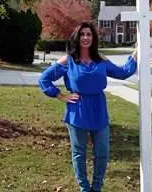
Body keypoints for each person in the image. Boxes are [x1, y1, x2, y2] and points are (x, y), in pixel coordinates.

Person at [38, 22, 137, 192]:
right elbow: (44, 79)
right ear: (77, 38)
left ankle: (96, 187)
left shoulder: (101, 60)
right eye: (82, 34)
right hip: (77, 110)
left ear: (93, 38)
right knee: (79, 153)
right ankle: (84, 188)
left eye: (89, 34)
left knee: (102, 153)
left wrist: (137, 52)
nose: (85, 37)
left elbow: (123, 72)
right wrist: (60, 95)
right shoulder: (68, 60)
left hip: (99, 109)